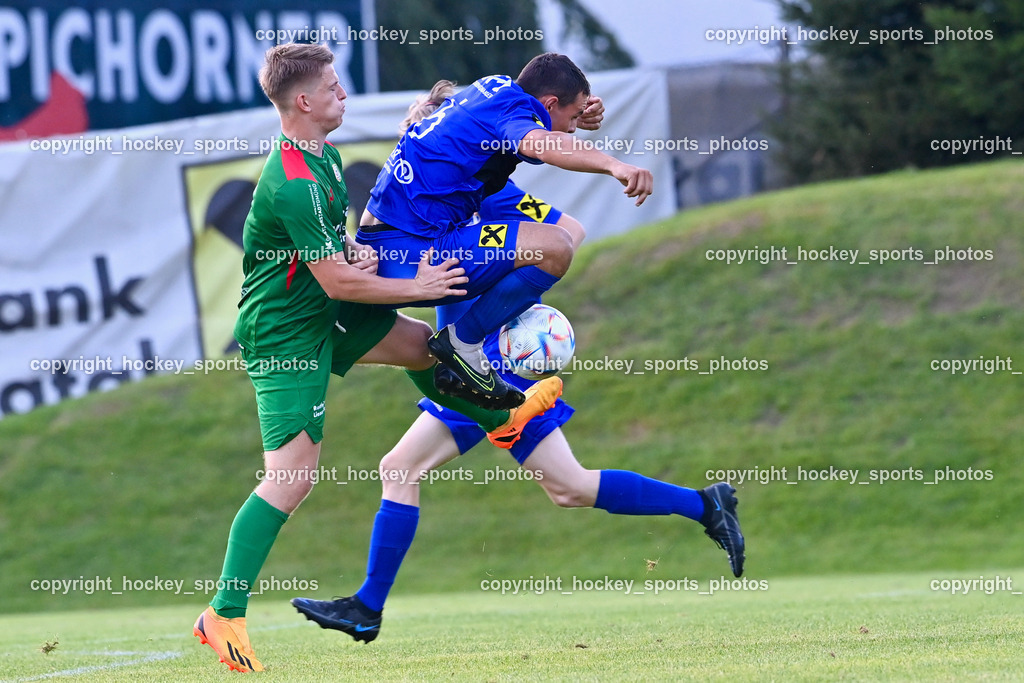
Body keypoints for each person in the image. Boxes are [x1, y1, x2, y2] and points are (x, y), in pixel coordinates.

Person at [291, 84, 745, 643]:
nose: (423, 141)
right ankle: (705, 505)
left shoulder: (492, 195)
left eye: (429, 123)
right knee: (553, 486)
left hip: (488, 368)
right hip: (466, 363)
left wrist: (508, 321)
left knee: (434, 472)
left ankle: (368, 607)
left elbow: (566, 234)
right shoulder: (439, 200)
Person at [192, 45, 561, 674]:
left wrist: (363, 253)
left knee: (422, 346)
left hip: (321, 310)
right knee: (292, 477)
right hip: (287, 335)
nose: (343, 96)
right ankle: (222, 613)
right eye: (333, 89)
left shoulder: (323, 158)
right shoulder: (297, 181)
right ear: (303, 101)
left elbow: (339, 258)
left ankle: (508, 417)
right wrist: (418, 284)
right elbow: (337, 283)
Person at [357, 53, 654, 410]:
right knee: (555, 246)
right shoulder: (511, 114)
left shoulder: (494, 87)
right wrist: (614, 165)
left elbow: (539, 118)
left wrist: (574, 112)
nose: (574, 128)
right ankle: (464, 346)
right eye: (573, 117)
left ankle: (466, 364)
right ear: (549, 103)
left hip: (393, 247)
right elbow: (544, 145)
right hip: (411, 256)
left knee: (539, 247)